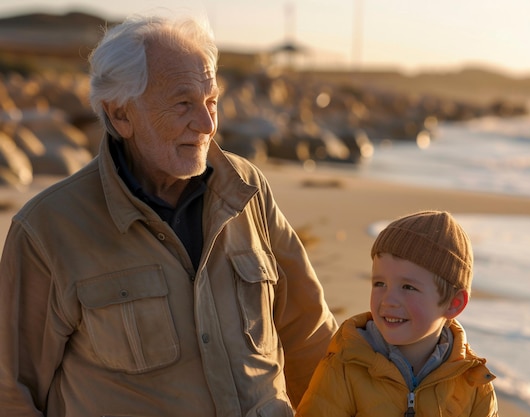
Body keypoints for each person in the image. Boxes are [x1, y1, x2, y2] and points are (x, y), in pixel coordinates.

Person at [0, 14, 337, 416]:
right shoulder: (48, 229)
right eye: (183, 104)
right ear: (121, 115)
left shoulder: (248, 190)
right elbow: (11, 389)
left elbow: (311, 337)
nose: (207, 123)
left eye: (211, 101)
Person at [296, 210, 498, 417]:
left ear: (454, 304)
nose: (388, 300)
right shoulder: (346, 365)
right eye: (380, 283)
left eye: (408, 287)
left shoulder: (473, 382)